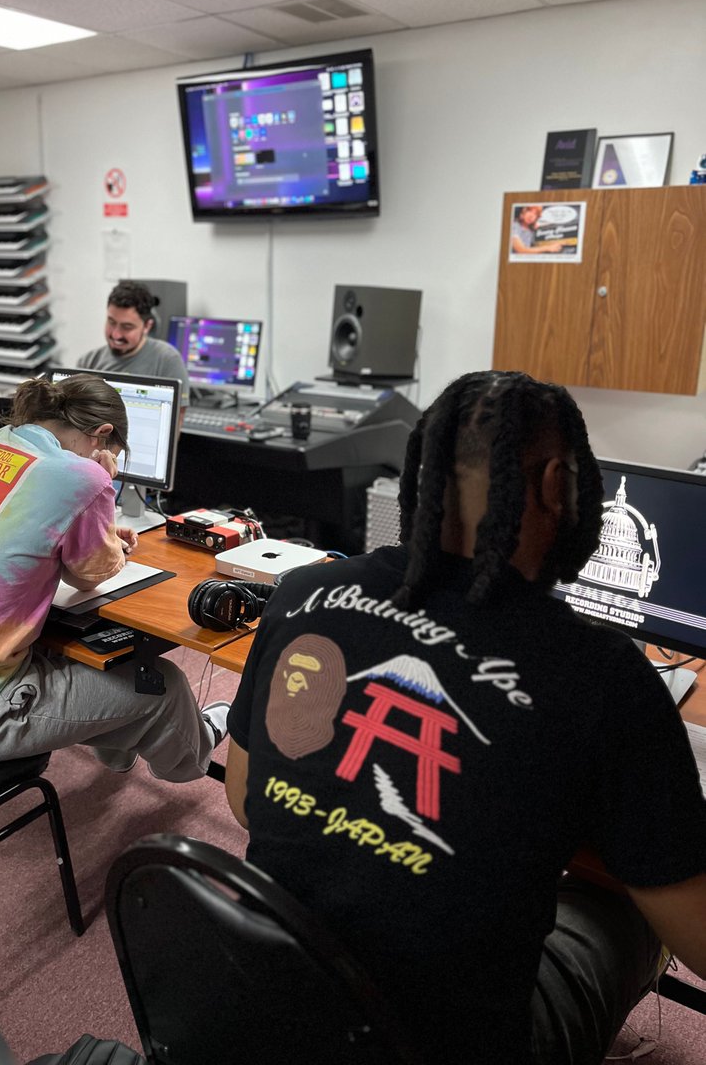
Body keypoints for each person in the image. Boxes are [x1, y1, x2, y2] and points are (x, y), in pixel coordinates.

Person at [224, 370, 706, 1065]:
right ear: (553, 487)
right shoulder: (603, 676)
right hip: (448, 1047)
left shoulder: (302, 591)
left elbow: (243, 799)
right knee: (628, 906)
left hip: (276, 999)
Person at [0, 374, 227, 779]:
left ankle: (120, 746)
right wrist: (103, 485)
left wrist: (97, 528)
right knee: (164, 685)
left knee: (77, 650)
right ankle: (193, 759)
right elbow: (91, 576)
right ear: (103, 435)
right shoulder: (83, 476)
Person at [77, 280, 190, 408]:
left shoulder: (168, 361)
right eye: (111, 322)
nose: (116, 335)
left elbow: (176, 421)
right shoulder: (88, 362)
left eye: (127, 327)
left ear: (147, 326)